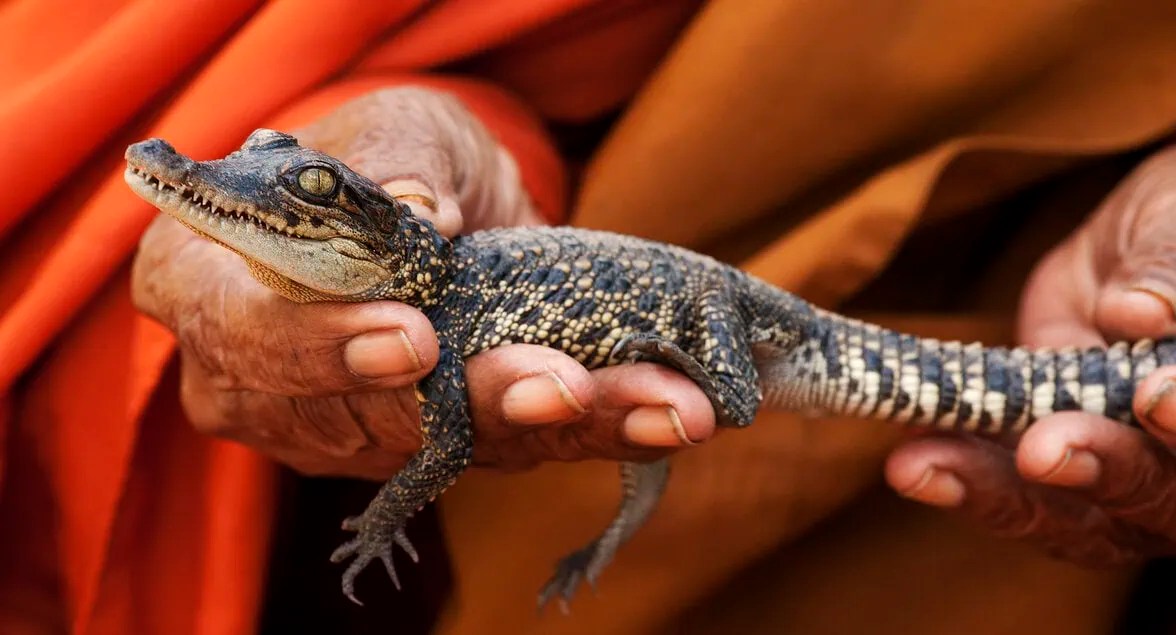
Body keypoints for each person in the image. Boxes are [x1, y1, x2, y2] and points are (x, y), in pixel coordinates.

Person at [4, 1, 1176, 633]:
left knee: (694, 405)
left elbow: (451, 440)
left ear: (364, 217)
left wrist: (381, 518)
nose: (238, 182)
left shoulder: (442, 308)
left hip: (813, 318)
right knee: (655, 422)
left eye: (305, 181)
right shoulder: (421, 284)